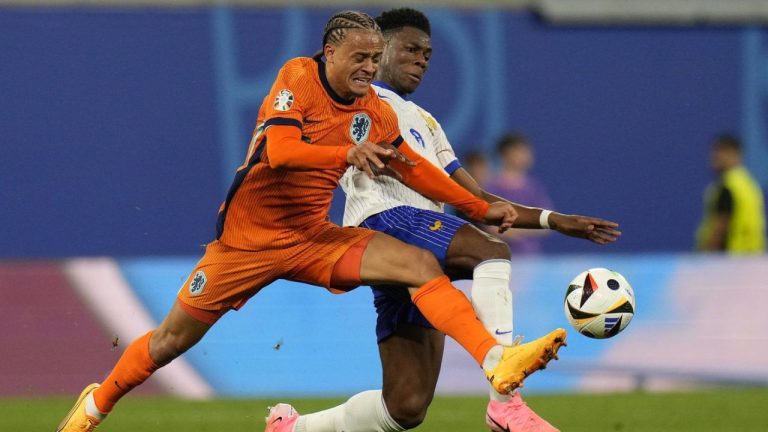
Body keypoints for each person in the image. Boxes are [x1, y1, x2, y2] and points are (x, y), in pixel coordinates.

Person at [57, 10, 569, 431]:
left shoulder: (376, 111)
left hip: (311, 237)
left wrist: (481, 208)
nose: (369, 68)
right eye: (359, 58)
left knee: (418, 265)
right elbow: (279, 152)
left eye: (374, 59)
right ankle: (96, 404)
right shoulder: (297, 79)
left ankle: (495, 362)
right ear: (330, 54)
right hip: (246, 245)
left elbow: (414, 171)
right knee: (170, 342)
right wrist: (347, 153)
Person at [266, 8, 621, 432]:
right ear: (380, 50)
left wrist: (553, 220)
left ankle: (293, 429)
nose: (422, 60)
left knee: (405, 408)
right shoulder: (359, 104)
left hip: (420, 247)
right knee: (490, 252)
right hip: (383, 220)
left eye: (428, 54)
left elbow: (473, 197)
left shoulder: (429, 124)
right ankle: (505, 404)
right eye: (411, 49)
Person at [695, 134, 766, 253]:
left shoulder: (728, 187)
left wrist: (706, 255)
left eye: (723, 151)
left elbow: (721, 226)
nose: (716, 156)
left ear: (737, 155)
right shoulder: (748, 184)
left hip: (730, 259)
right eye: (715, 151)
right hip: (753, 258)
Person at [486, 133, 554, 254]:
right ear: (507, 154)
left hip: (530, 257)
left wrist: (519, 230)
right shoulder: (491, 187)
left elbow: (549, 222)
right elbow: (488, 225)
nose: (527, 156)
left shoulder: (533, 187)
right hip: (500, 256)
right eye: (521, 152)